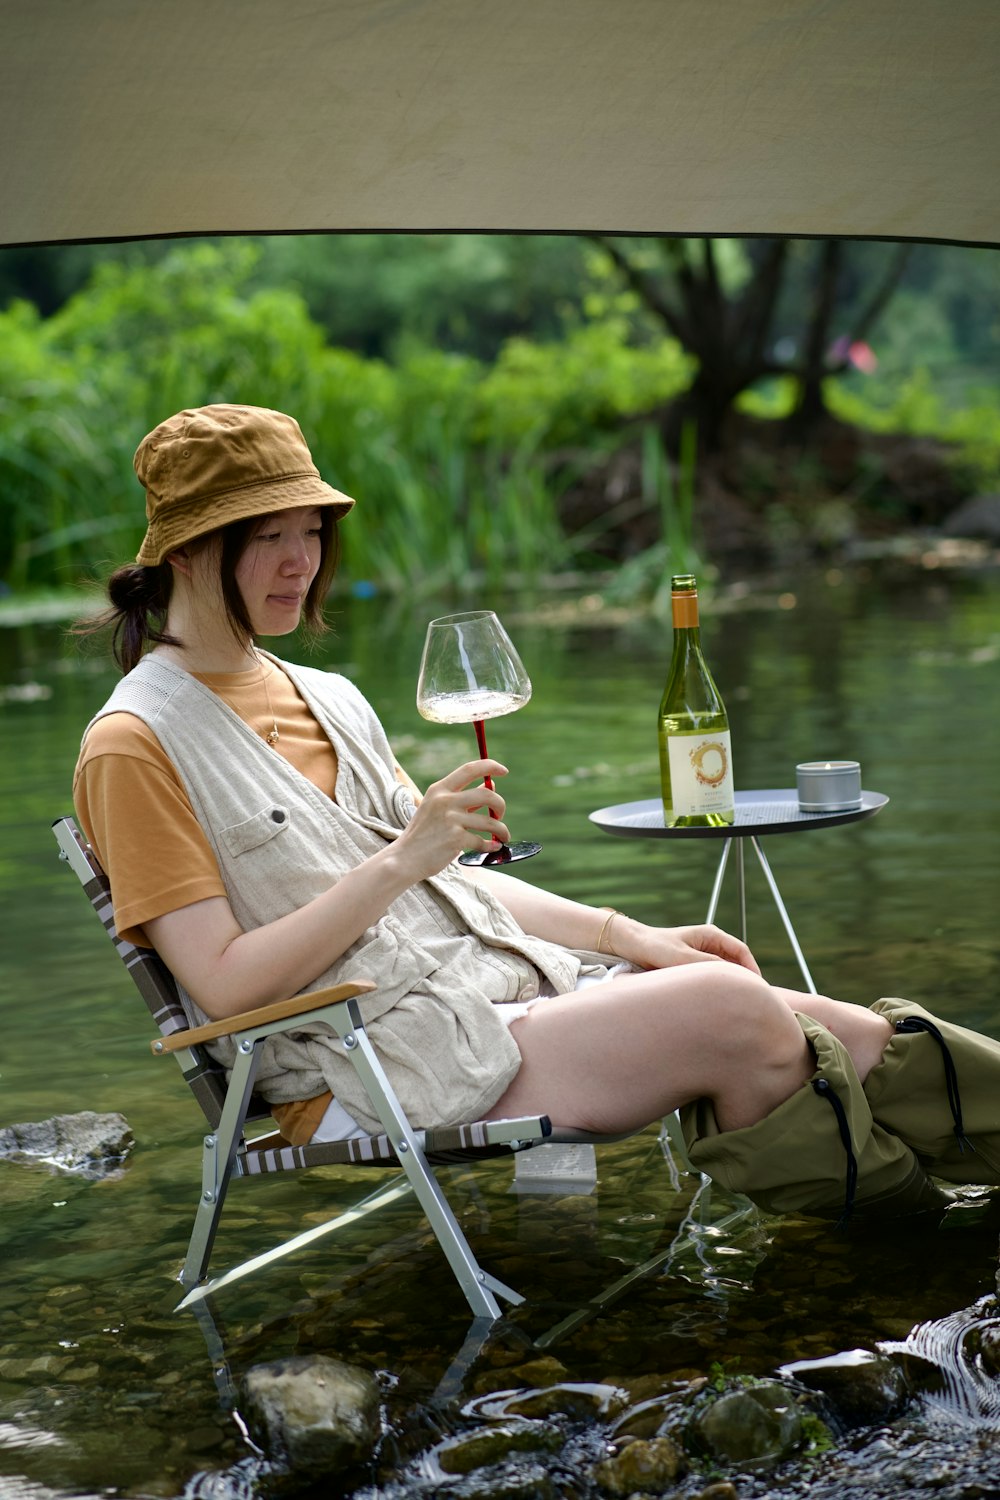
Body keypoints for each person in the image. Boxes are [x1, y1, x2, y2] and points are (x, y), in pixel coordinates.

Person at [73, 404, 1000, 1223]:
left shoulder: (326, 694)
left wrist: (633, 936)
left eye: (311, 531)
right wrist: (403, 860)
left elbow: (464, 894)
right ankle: (930, 1243)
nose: (299, 562)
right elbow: (228, 990)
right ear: (187, 550)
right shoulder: (135, 744)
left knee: (846, 1028)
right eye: (266, 535)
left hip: (494, 994)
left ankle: (935, 1209)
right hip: (368, 1064)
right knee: (732, 1011)